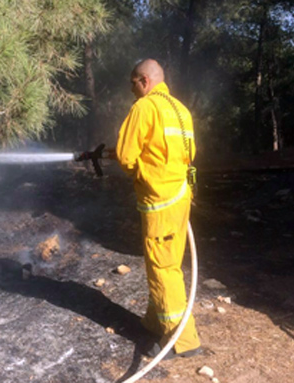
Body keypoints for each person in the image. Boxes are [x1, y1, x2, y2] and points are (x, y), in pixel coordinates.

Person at [114, 59, 201, 359]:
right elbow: (187, 154)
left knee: (162, 269)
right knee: (169, 264)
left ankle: (182, 340)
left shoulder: (144, 108)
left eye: (132, 83)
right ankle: (154, 321)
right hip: (180, 198)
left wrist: (141, 174)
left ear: (144, 81)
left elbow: (126, 157)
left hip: (159, 202)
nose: (131, 89)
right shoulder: (181, 110)